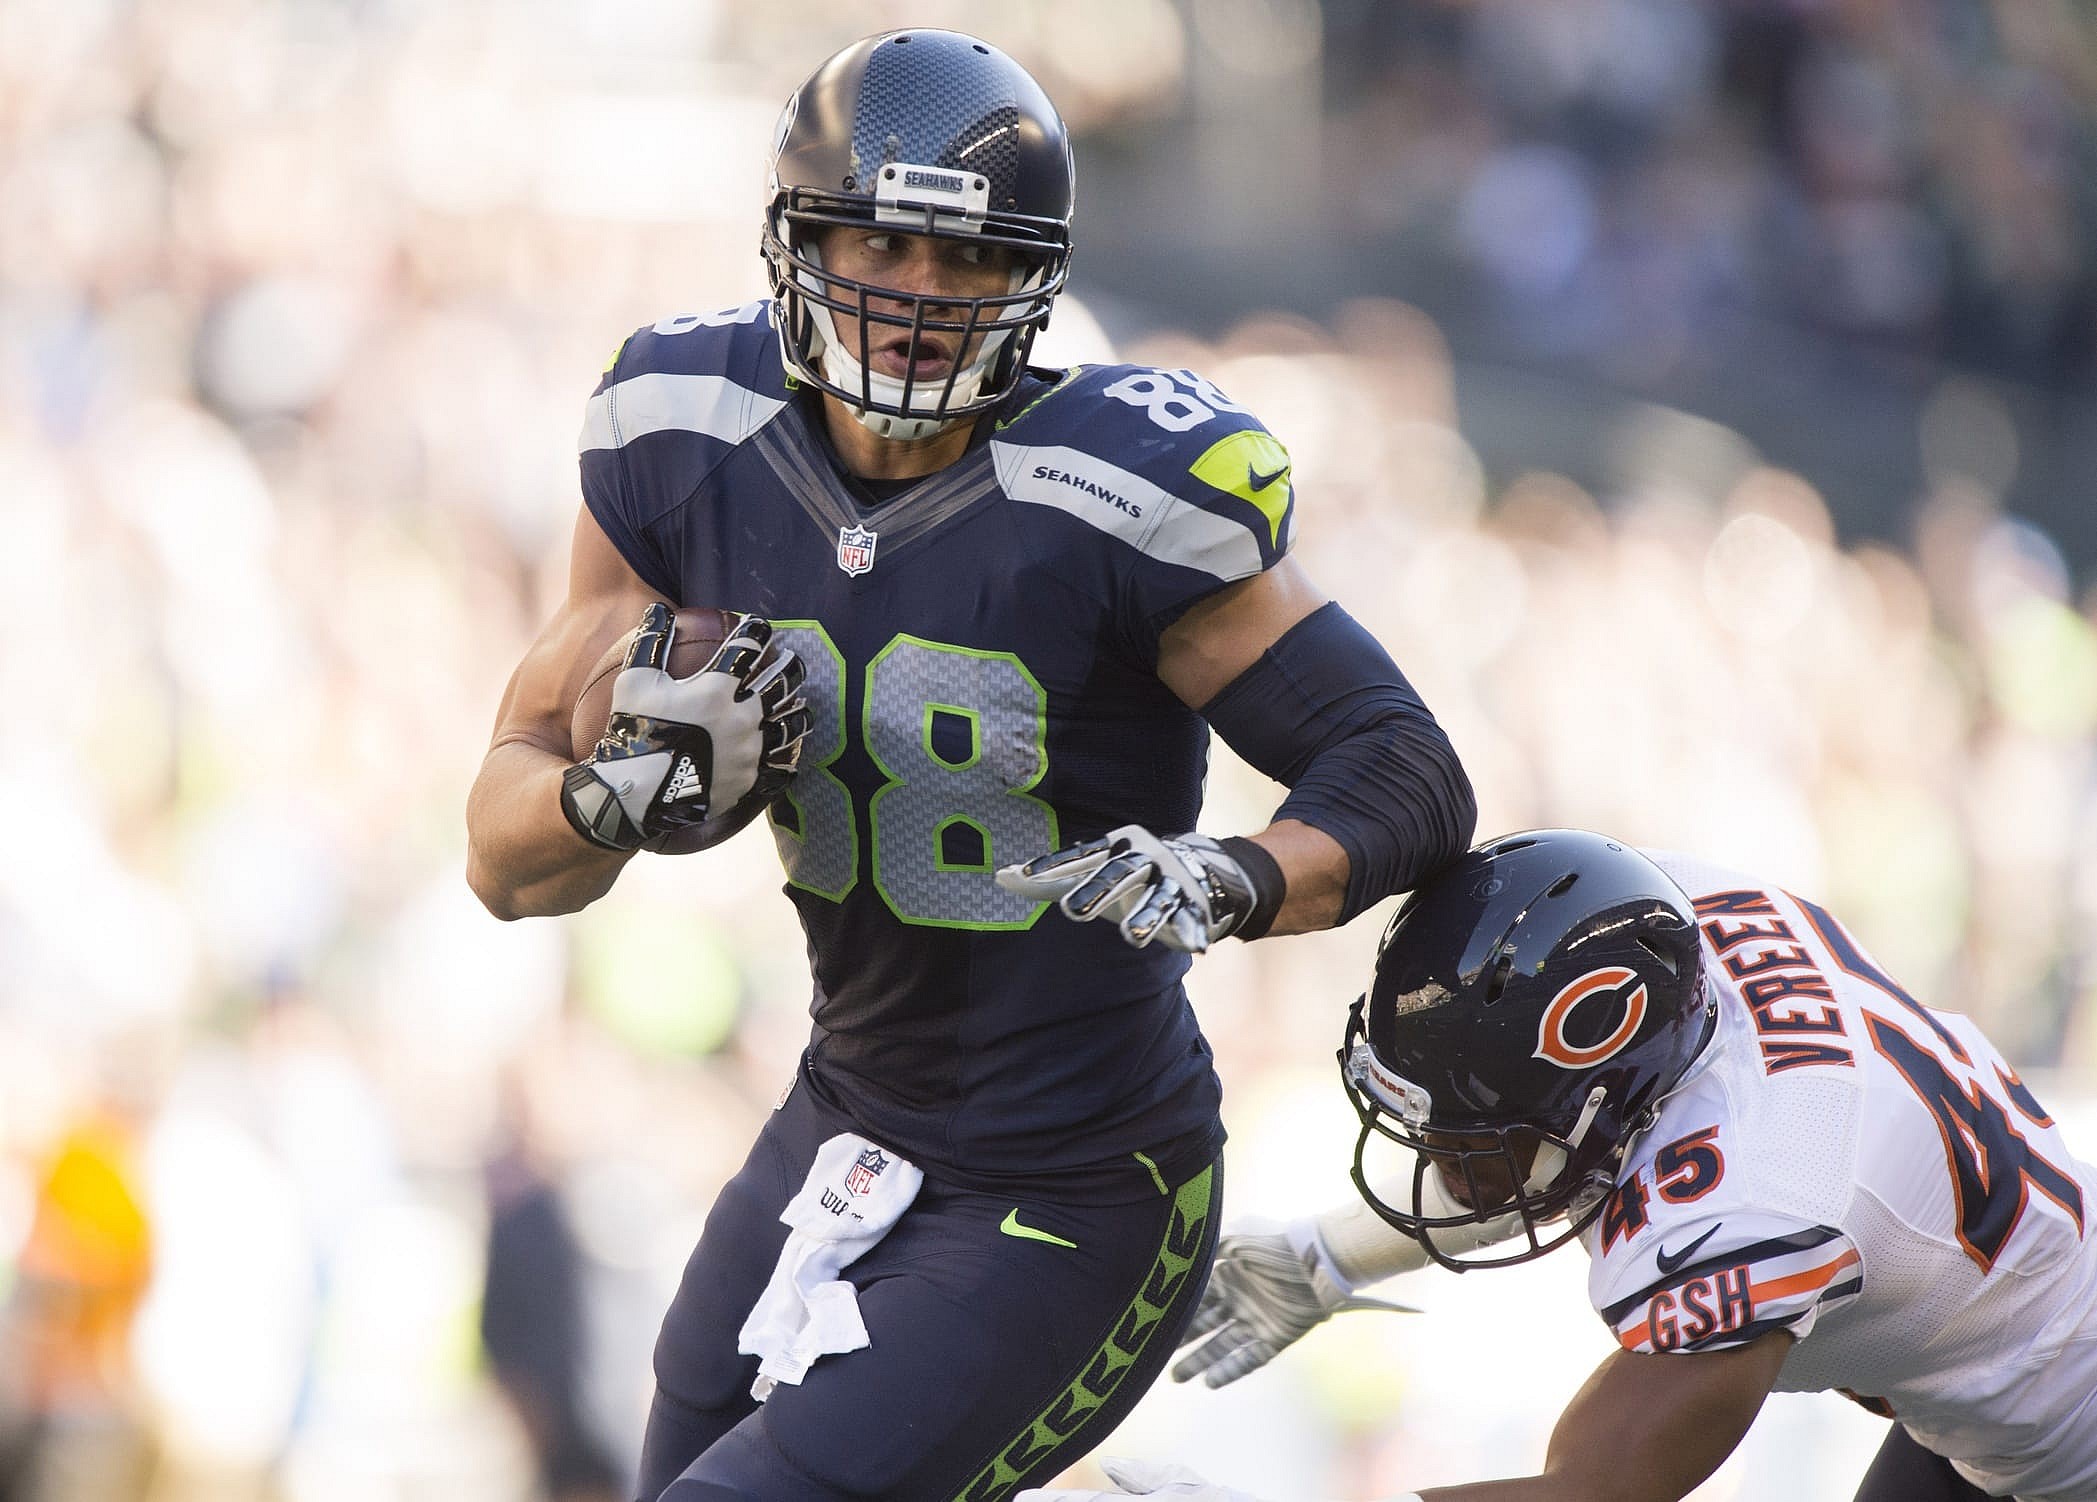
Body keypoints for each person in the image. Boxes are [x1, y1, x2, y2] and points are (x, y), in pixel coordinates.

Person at [464, 28, 1476, 1502]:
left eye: (972, 261)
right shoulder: (684, 433)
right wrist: (606, 799)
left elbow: (1403, 768)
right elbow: (501, 855)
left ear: (1037, 280)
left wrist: (1230, 876)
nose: (921, 300)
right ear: (798, 235)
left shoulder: (1114, 495)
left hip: (1076, 1176)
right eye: (882, 240)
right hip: (847, 1112)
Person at [1023, 830, 2097, 1502]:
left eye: (1464, 1148)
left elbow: (1589, 1491)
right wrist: (1327, 1254)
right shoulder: (1668, 915)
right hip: (1986, 1381)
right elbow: (1558, 1135)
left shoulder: (1766, 1194)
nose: (1442, 1165)